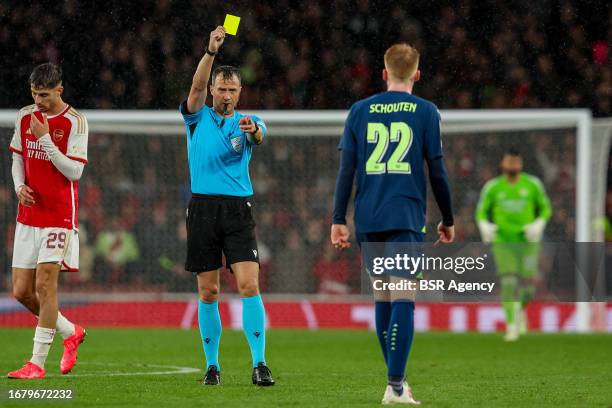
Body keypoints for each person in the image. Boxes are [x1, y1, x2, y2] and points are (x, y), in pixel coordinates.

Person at [331, 43, 455, 405]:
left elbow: (346, 171)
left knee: (383, 296)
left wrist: (339, 218)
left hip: (368, 217)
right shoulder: (426, 112)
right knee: (404, 296)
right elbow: (438, 172)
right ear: (417, 74)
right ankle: (396, 386)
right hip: (405, 215)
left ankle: (396, 385)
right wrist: (448, 219)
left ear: (384, 73)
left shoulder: (359, 111)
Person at [180, 26, 274, 386]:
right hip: (202, 209)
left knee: (249, 285)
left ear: (240, 92)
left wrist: (253, 131)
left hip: (237, 209)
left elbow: (260, 136)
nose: (227, 94)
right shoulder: (197, 116)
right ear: (213, 90)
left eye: (233, 89)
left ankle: (259, 363)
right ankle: (212, 366)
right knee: (209, 291)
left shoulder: (248, 122)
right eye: (221, 88)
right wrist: (210, 51)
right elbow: (194, 88)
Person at [7, 63, 88, 379]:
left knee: (45, 284)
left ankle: (36, 364)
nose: (38, 101)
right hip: (28, 217)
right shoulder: (25, 115)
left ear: (59, 90)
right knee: (21, 292)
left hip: (58, 217)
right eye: (34, 94)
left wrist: (45, 141)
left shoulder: (75, 122)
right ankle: (71, 331)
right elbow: (17, 156)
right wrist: (18, 186)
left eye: (44, 95)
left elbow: (75, 172)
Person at [475, 150, 551, 341]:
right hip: (503, 242)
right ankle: (511, 326)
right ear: (503, 164)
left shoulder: (532, 184)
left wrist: (538, 224)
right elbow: (481, 211)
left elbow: (546, 208)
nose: (513, 165)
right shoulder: (493, 187)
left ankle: (520, 311)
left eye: (516, 161)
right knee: (508, 283)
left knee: (528, 287)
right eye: (509, 161)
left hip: (527, 242)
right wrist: (484, 225)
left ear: (521, 164)